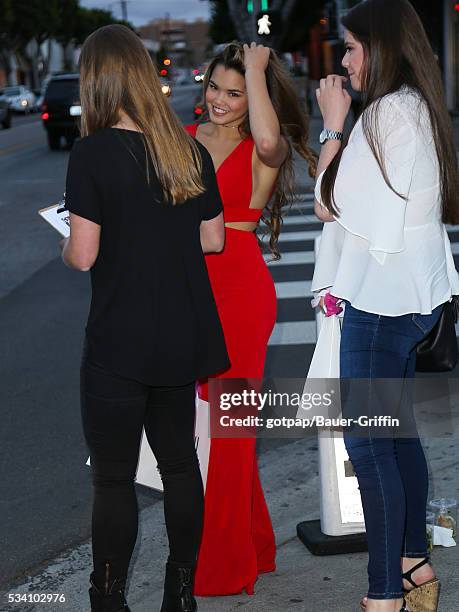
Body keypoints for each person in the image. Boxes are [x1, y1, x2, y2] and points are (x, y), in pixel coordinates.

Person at [61, 24, 230, 612]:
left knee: (113, 479)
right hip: (178, 339)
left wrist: (66, 238)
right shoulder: (188, 150)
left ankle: (107, 599)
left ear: (99, 82)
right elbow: (213, 241)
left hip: (117, 344)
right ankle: (179, 593)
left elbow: (83, 254)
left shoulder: (92, 153)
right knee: (181, 464)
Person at [311, 1, 459, 611]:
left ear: (381, 48)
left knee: (371, 449)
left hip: (380, 303)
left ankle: (384, 597)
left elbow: (327, 201)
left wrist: (333, 124)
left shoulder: (383, 117)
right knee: (396, 439)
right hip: (414, 296)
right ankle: (415, 569)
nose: (344, 62)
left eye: (350, 48)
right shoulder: (419, 108)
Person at [185, 41, 317, 597]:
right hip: (186, 292)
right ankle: (258, 544)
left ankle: (224, 567)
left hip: (240, 291)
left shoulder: (269, 145)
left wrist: (258, 68)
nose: (219, 100)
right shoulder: (186, 139)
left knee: (232, 433)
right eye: (214, 87)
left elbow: (265, 138)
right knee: (213, 430)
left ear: (255, 95)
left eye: (235, 93)